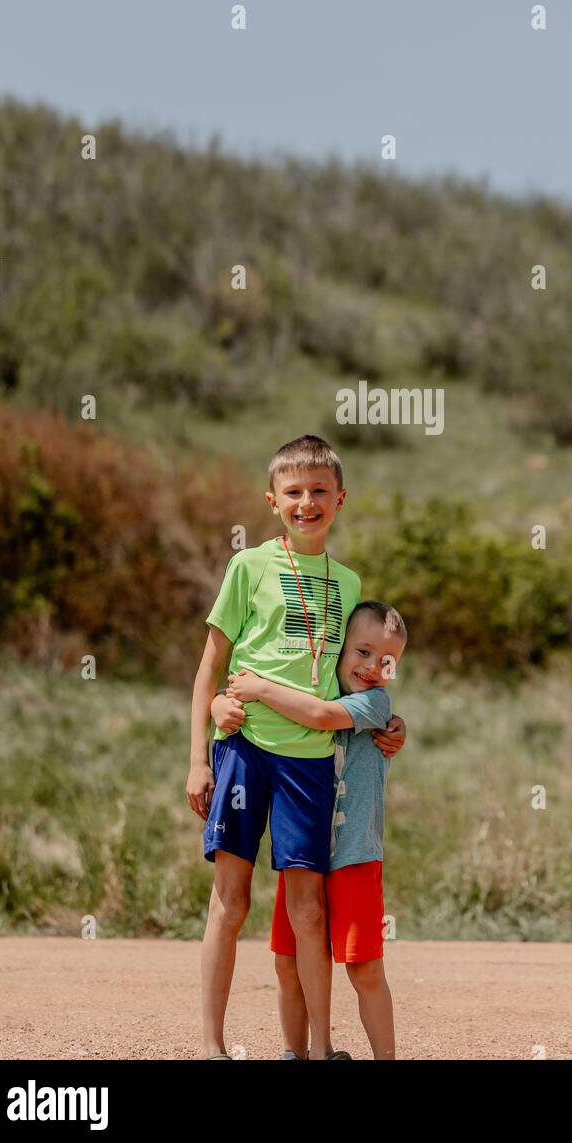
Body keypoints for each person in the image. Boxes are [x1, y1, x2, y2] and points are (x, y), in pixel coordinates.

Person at [185, 434, 405, 1060]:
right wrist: (200, 754)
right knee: (229, 902)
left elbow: (358, 675)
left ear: (340, 499)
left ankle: (318, 1047)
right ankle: (211, 1047)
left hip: (310, 762)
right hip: (243, 747)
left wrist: (392, 721)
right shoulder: (248, 567)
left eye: (318, 492)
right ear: (272, 500)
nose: (306, 503)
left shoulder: (348, 582)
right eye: (293, 492)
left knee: (308, 911)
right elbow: (210, 667)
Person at [223, 599, 407, 1060]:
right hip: (302, 847)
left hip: (353, 855)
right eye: (362, 652)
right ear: (338, 647)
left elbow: (321, 718)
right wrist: (220, 700)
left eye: (387, 661)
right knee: (288, 962)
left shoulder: (374, 702)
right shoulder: (309, 692)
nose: (372, 666)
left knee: (364, 968)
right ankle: (295, 1053)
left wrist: (261, 688)